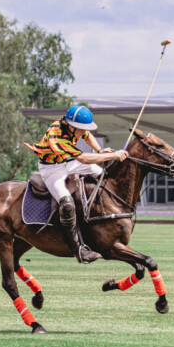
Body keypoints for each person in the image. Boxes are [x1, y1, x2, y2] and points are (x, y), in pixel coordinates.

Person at [27, 105, 128, 264]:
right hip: (52, 169)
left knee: (103, 176)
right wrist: (112, 155)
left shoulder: (75, 127)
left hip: (68, 161)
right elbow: (84, 159)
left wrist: (99, 150)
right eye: (81, 129)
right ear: (71, 126)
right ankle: (78, 249)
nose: (83, 132)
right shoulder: (56, 136)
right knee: (67, 203)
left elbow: (88, 136)